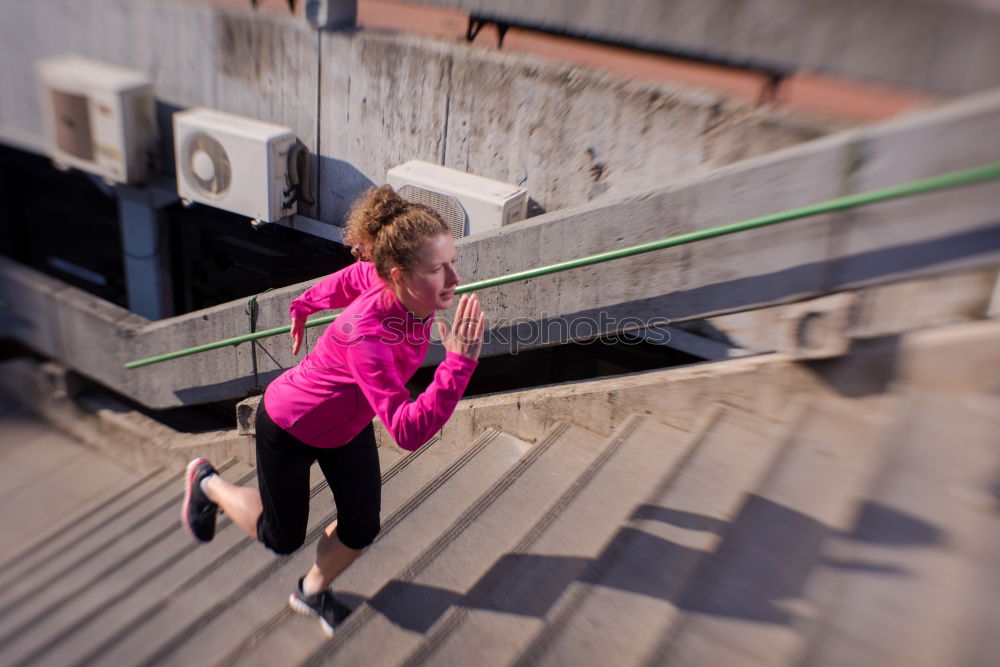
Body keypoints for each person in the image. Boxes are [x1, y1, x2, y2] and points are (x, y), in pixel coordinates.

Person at [180, 185, 485, 635]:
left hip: (347, 426)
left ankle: (310, 591)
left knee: (361, 527)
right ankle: (207, 483)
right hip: (289, 425)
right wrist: (458, 364)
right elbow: (403, 429)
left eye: (451, 263)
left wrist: (303, 305)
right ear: (400, 276)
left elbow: (345, 280)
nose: (454, 280)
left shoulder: (382, 278)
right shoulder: (368, 335)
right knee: (280, 538)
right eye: (439, 270)